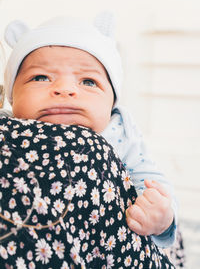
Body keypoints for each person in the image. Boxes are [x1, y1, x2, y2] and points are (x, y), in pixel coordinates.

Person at [2, 13, 177, 249]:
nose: (64, 89)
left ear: (111, 102)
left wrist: (161, 217)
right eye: (41, 77)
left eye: (88, 81)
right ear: (13, 97)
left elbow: (150, 180)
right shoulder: (7, 131)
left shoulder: (118, 131)